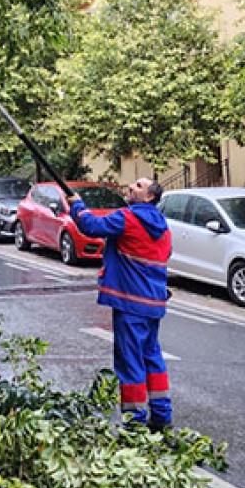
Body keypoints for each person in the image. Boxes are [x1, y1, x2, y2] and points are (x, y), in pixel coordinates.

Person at [68, 178, 173, 430]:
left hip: (130, 303)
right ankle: (161, 416)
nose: (131, 187)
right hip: (154, 303)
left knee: (130, 362)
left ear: (148, 197)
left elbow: (91, 226)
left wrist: (77, 206)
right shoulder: (163, 227)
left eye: (138, 186)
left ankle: (134, 422)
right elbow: (164, 256)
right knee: (152, 357)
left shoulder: (127, 218)